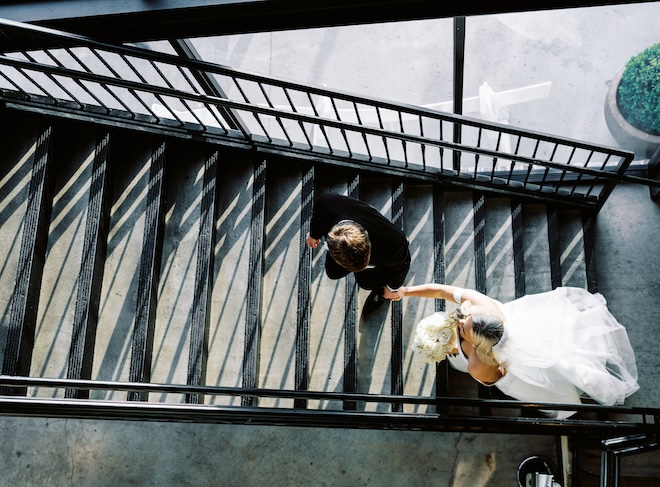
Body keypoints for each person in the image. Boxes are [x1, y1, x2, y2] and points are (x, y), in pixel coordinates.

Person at [393, 283, 639, 418]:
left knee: (551, 382)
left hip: (513, 376)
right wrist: (405, 291)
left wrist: (448, 350)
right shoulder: (483, 307)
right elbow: (443, 290)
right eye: (466, 319)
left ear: (479, 346)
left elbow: (490, 378)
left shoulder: (478, 366)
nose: (459, 321)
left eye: (463, 330)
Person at [306, 193, 411, 316]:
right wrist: (314, 234)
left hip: (382, 253)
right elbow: (319, 214)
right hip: (342, 248)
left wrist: (391, 288)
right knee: (333, 272)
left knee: (366, 282)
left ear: (366, 233)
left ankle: (381, 291)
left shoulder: (394, 241)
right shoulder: (327, 203)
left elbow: (402, 265)